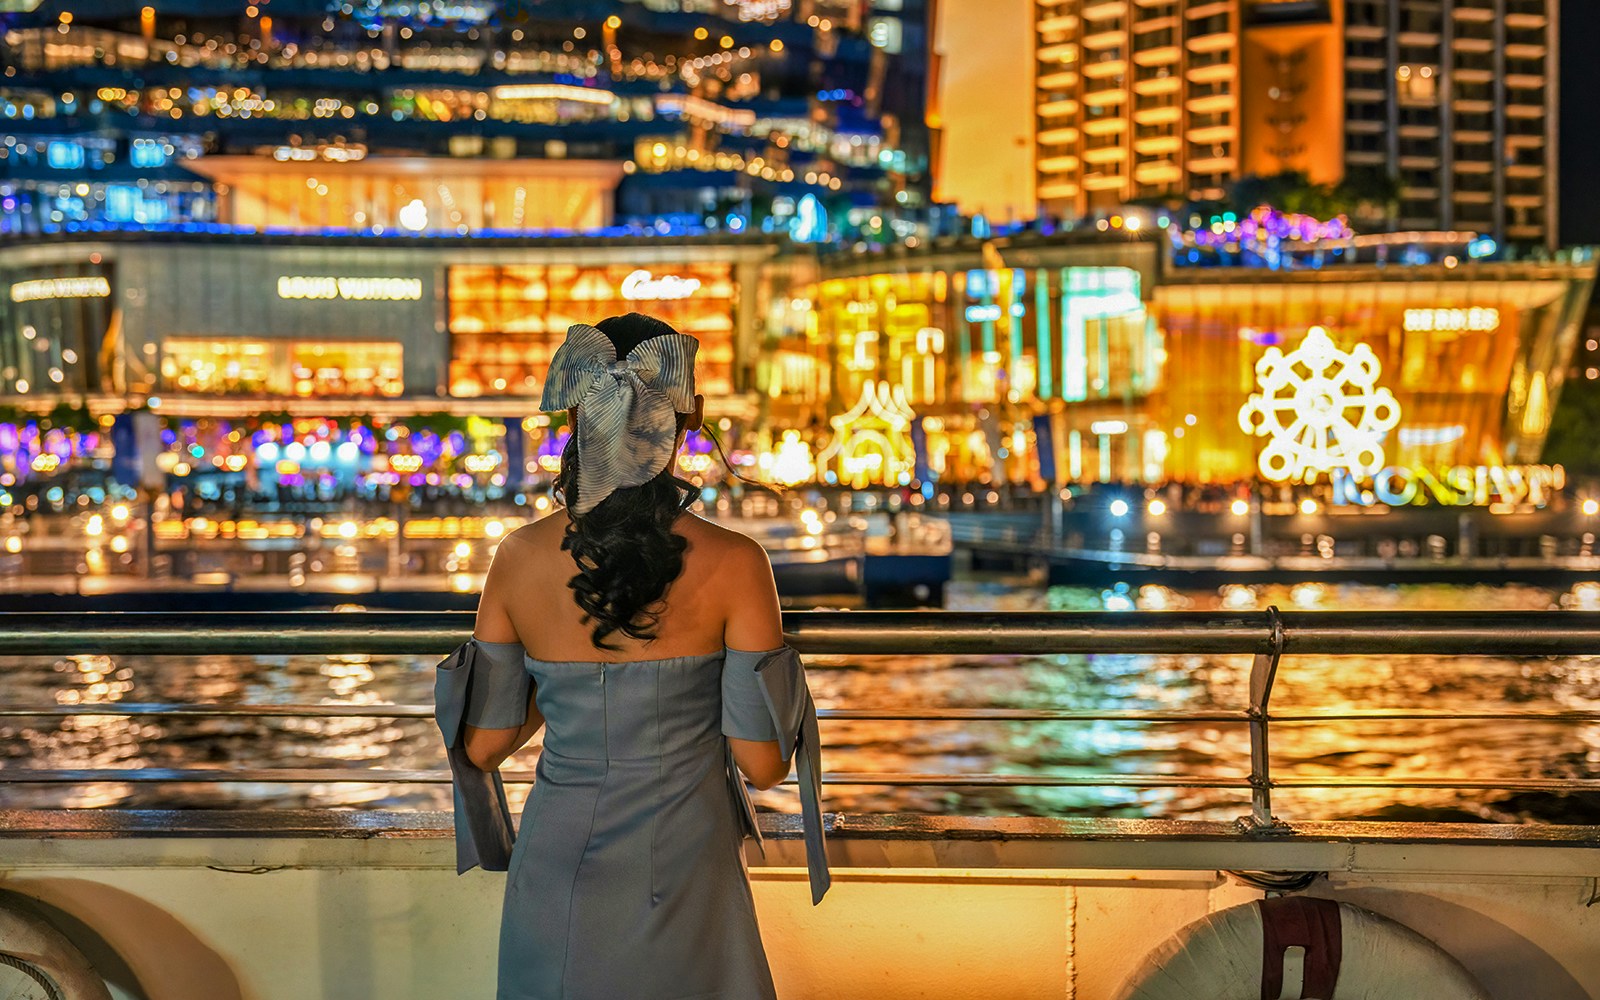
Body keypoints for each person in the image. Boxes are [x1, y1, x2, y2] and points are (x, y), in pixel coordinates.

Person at [434, 314, 829, 1000]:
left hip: (557, 862)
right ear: (689, 419)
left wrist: (558, 680)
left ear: (577, 417)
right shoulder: (738, 563)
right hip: (684, 864)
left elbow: (484, 746)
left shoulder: (518, 558)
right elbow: (763, 766)